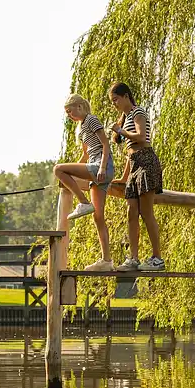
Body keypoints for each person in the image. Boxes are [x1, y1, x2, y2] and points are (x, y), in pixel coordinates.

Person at [53, 94, 116, 271]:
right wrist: (70, 175)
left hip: (101, 167)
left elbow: (105, 144)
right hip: (95, 168)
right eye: (66, 113)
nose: (69, 115)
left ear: (80, 106)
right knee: (98, 217)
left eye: (70, 111)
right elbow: (85, 156)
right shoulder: (80, 128)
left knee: (58, 169)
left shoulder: (91, 120)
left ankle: (83, 202)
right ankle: (106, 260)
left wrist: (102, 168)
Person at [107, 82, 165, 271]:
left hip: (147, 162)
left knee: (146, 212)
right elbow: (129, 152)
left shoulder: (137, 112)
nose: (114, 103)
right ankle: (133, 258)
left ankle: (157, 258)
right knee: (131, 212)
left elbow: (140, 137)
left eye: (115, 99)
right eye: (112, 101)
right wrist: (124, 178)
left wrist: (120, 131)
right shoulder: (125, 117)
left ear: (125, 96)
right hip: (134, 165)